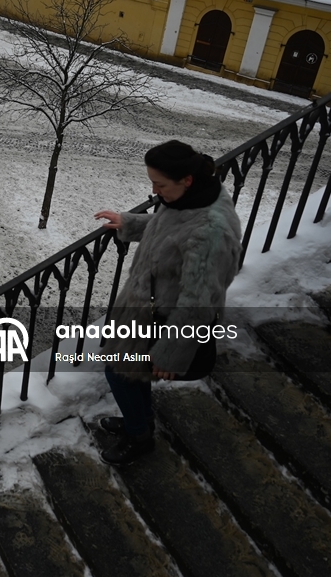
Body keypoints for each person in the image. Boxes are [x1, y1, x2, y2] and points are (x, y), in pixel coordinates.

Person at [93, 140, 242, 466]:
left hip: (166, 322)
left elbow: (200, 300)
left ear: (185, 179)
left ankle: (139, 437)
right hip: (148, 311)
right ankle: (139, 421)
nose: (155, 191)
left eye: (160, 184)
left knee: (120, 372)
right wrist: (130, 223)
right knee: (127, 371)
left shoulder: (211, 231)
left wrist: (171, 351)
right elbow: (172, 227)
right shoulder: (192, 198)